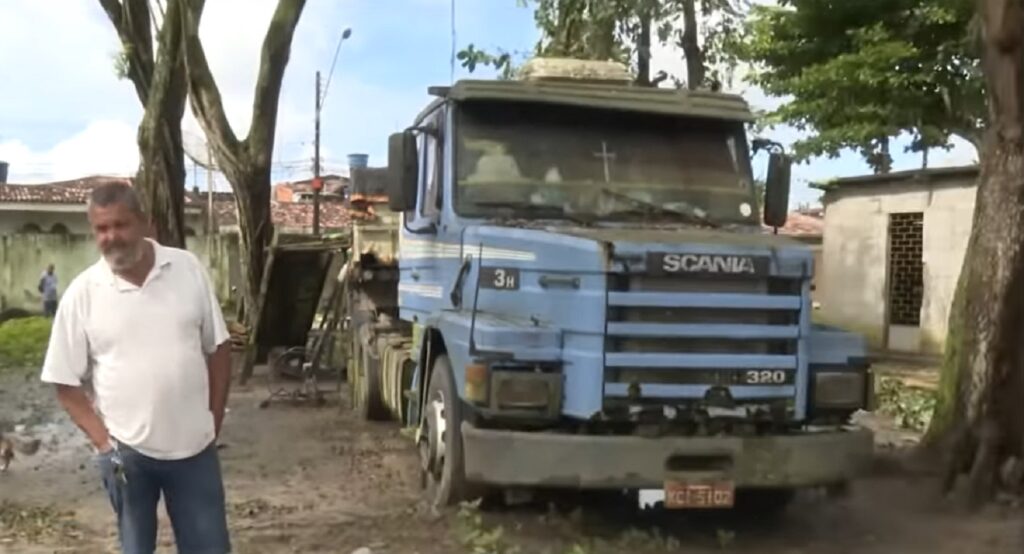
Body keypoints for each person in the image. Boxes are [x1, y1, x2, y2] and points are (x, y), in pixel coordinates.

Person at [40, 182, 233, 554]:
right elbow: (64, 381)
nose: (112, 237)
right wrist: (104, 444)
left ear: (145, 223)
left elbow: (220, 348)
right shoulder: (84, 293)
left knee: (209, 547)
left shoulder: (186, 268)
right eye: (101, 229)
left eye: (121, 225)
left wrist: (213, 420)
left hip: (194, 449)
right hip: (127, 455)